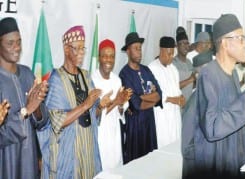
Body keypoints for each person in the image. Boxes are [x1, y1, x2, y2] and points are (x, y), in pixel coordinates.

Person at [181, 14, 245, 178]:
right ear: (225, 43)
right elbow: (213, 128)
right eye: (241, 38)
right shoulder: (208, 76)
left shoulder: (232, 75)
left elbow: (235, 126)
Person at [40, 26, 102, 178]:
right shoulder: (56, 80)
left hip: (88, 150)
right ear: (66, 50)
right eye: (77, 48)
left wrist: (102, 105)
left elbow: (94, 114)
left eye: (83, 48)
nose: (81, 52)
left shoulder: (86, 76)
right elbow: (57, 121)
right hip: (67, 154)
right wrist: (86, 104)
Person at [0, 17, 49, 179]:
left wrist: (38, 108)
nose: (16, 47)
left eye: (19, 42)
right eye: (10, 43)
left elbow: (40, 123)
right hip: (6, 159)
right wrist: (26, 110)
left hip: (29, 158)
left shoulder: (27, 73)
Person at [119, 32, 162, 163]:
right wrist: (151, 98)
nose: (139, 52)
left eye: (140, 48)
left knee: (150, 163)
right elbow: (136, 105)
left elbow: (159, 95)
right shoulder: (124, 74)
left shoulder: (146, 70)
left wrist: (143, 96)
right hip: (135, 127)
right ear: (128, 51)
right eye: (136, 48)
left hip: (149, 123)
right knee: (136, 165)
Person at [91, 39, 132, 170]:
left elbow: (121, 111)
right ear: (99, 58)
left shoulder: (117, 80)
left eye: (112, 56)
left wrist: (121, 104)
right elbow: (94, 115)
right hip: (100, 136)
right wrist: (116, 102)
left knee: (115, 170)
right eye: (105, 56)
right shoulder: (92, 80)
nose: (108, 60)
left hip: (114, 134)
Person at [148, 36, 184, 148]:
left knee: (175, 146)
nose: (171, 57)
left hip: (175, 116)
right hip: (161, 117)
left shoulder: (173, 69)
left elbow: (177, 89)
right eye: (169, 54)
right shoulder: (151, 68)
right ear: (161, 51)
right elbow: (151, 95)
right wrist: (173, 100)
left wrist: (181, 98)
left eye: (173, 54)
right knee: (162, 148)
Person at [172, 31, 197, 106]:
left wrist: (197, 80)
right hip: (177, 105)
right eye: (182, 43)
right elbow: (171, 87)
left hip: (188, 105)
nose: (185, 46)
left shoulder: (189, 62)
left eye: (187, 43)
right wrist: (191, 79)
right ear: (177, 46)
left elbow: (191, 85)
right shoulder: (173, 63)